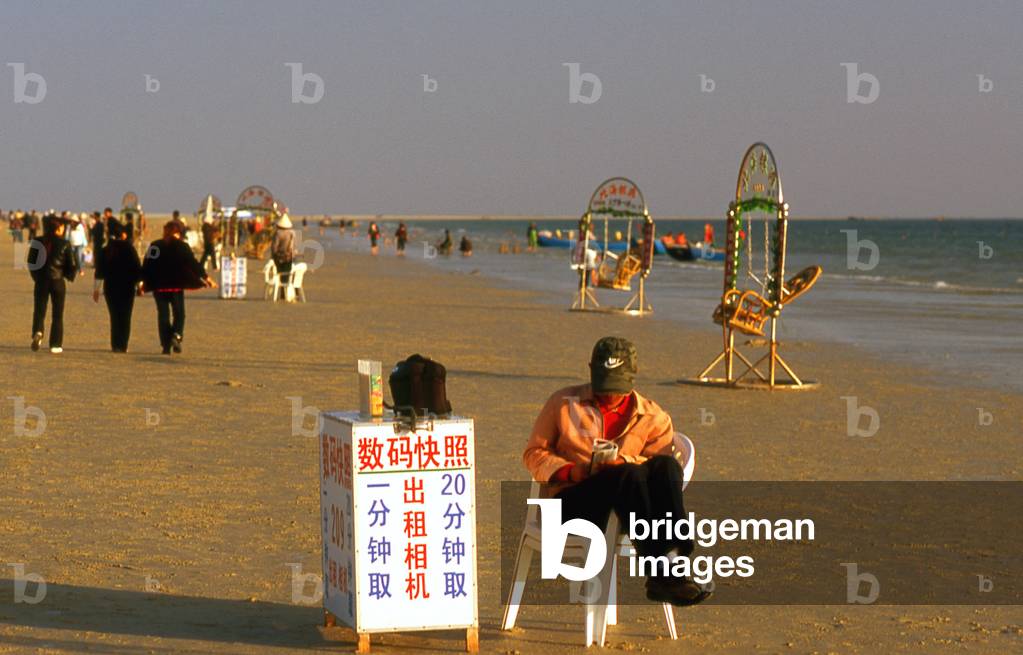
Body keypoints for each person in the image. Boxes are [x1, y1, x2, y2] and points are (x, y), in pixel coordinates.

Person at [522, 336, 712, 607]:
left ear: (633, 376)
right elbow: (533, 453)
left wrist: (624, 460)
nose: (609, 396)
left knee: (666, 466)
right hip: (573, 503)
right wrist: (571, 471)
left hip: (634, 510)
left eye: (616, 388)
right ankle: (663, 570)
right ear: (591, 371)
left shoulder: (653, 417)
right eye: (604, 386)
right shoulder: (563, 403)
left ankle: (671, 562)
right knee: (629, 474)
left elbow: (659, 473)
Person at [142, 220, 215, 355]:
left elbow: (147, 264)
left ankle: (165, 345)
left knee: (163, 316)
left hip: (159, 287)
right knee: (179, 314)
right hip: (176, 286)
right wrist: (206, 278)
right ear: (177, 233)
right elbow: (193, 264)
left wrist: (142, 283)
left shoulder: (155, 246)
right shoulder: (182, 246)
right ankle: (176, 335)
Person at [27, 214, 78, 353]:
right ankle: (55, 344)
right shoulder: (64, 243)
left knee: (39, 310)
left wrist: (37, 277)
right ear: (58, 228)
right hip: (57, 282)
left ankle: (38, 331)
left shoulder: (37, 241)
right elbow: (72, 265)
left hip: (41, 282)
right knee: (57, 314)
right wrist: (68, 275)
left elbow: (31, 263)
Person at [93, 221, 142, 352]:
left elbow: (99, 271)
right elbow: (137, 269)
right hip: (127, 287)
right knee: (126, 316)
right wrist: (140, 285)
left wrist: (96, 290)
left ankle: (115, 344)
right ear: (123, 235)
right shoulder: (129, 249)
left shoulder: (106, 250)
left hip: (110, 287)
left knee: (114, 316)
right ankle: (123, 344)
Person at [271, 213, 297, 287]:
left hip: (280, 257)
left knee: (280, 274)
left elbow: (274, 247)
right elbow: (294, 246)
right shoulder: (292, 233)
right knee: (288, 273)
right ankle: (288, 287)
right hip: (291, 256)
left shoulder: (278, 233)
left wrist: (273, 256)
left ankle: (282, 288)